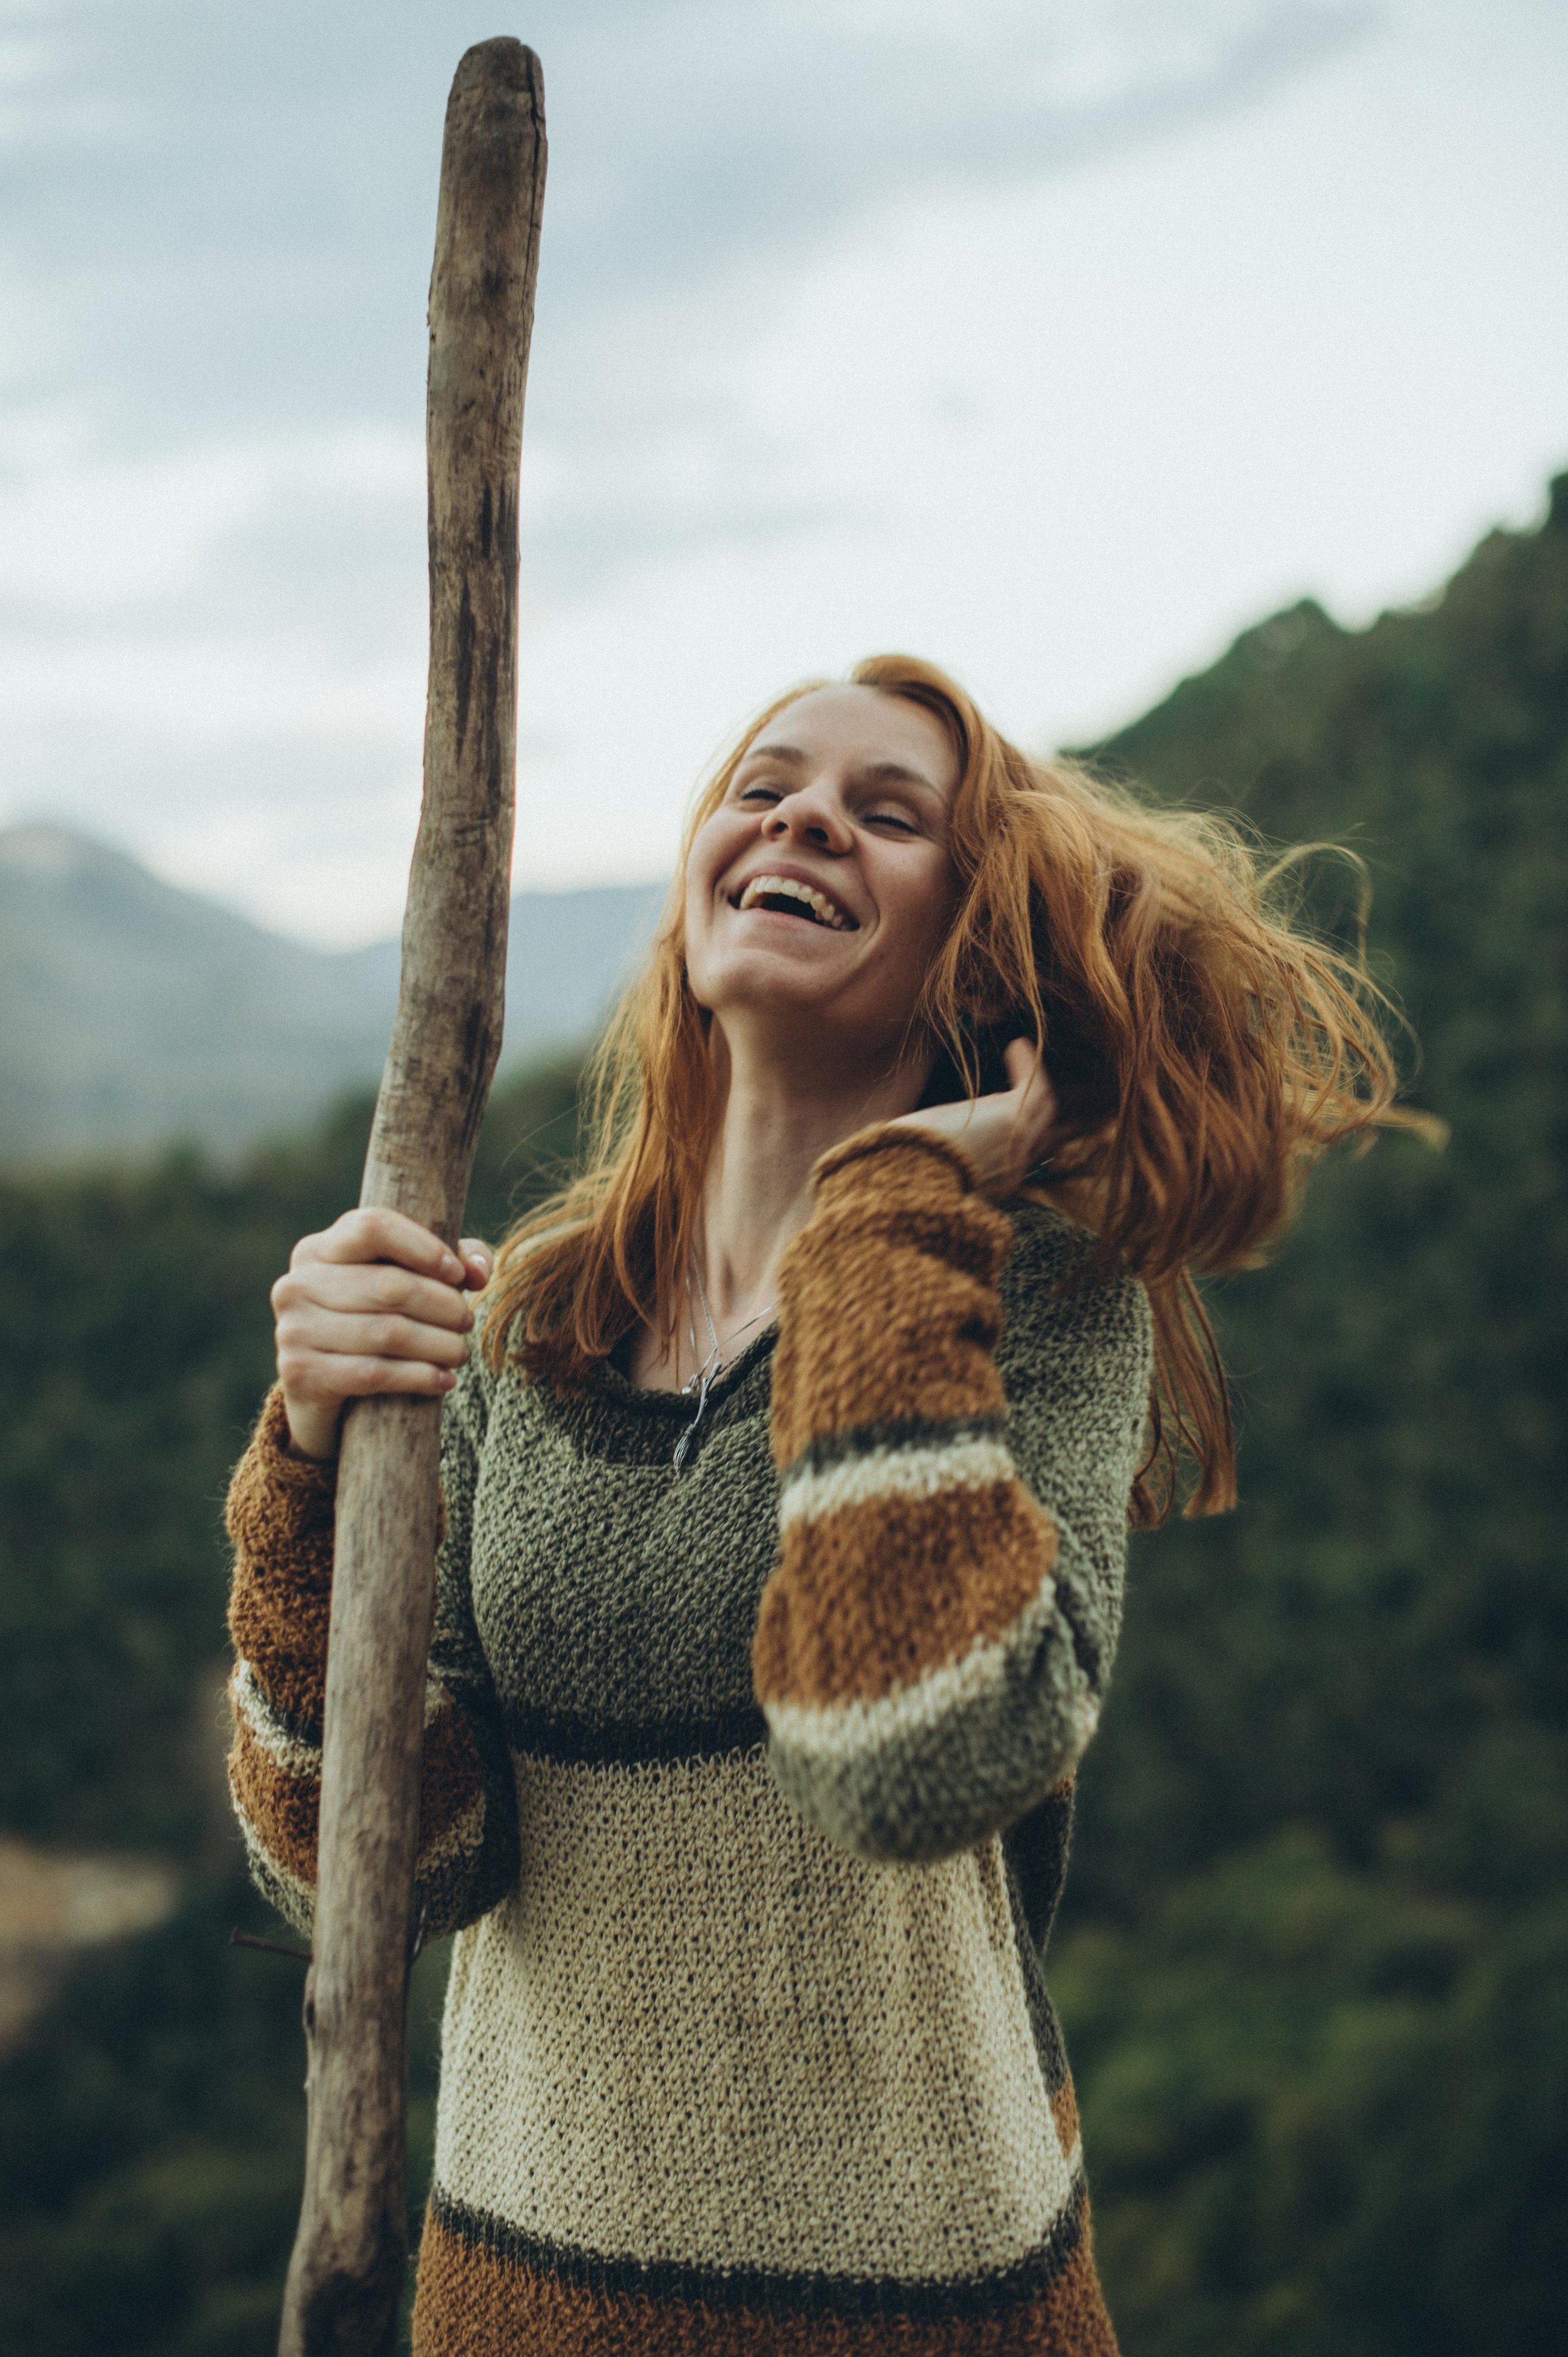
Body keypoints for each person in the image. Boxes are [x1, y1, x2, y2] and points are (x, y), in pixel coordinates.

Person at [224, 654, 1408, 2354]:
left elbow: (915, 1756)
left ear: (971, 940)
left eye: (888, 811)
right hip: (515, 2303)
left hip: (928, 2314)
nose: (804, 820)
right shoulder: (533, 1322)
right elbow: (391, 1870)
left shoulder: (1040, 1300)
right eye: (766, 786)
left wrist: (880, 1225)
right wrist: (309, 1467)